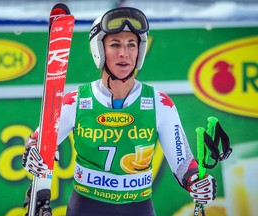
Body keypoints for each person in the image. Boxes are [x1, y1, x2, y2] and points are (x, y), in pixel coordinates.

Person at [22, 7, 217, 216]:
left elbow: (183, 163)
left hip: (138, 208)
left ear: (139, 51)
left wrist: (197, 181)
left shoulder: (160, 103)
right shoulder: (76, 101)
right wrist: (34, 156)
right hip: (86, 207)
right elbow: (38, 144)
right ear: (99, 50)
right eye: (115, 44)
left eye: (131, 45)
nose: (124, 53)